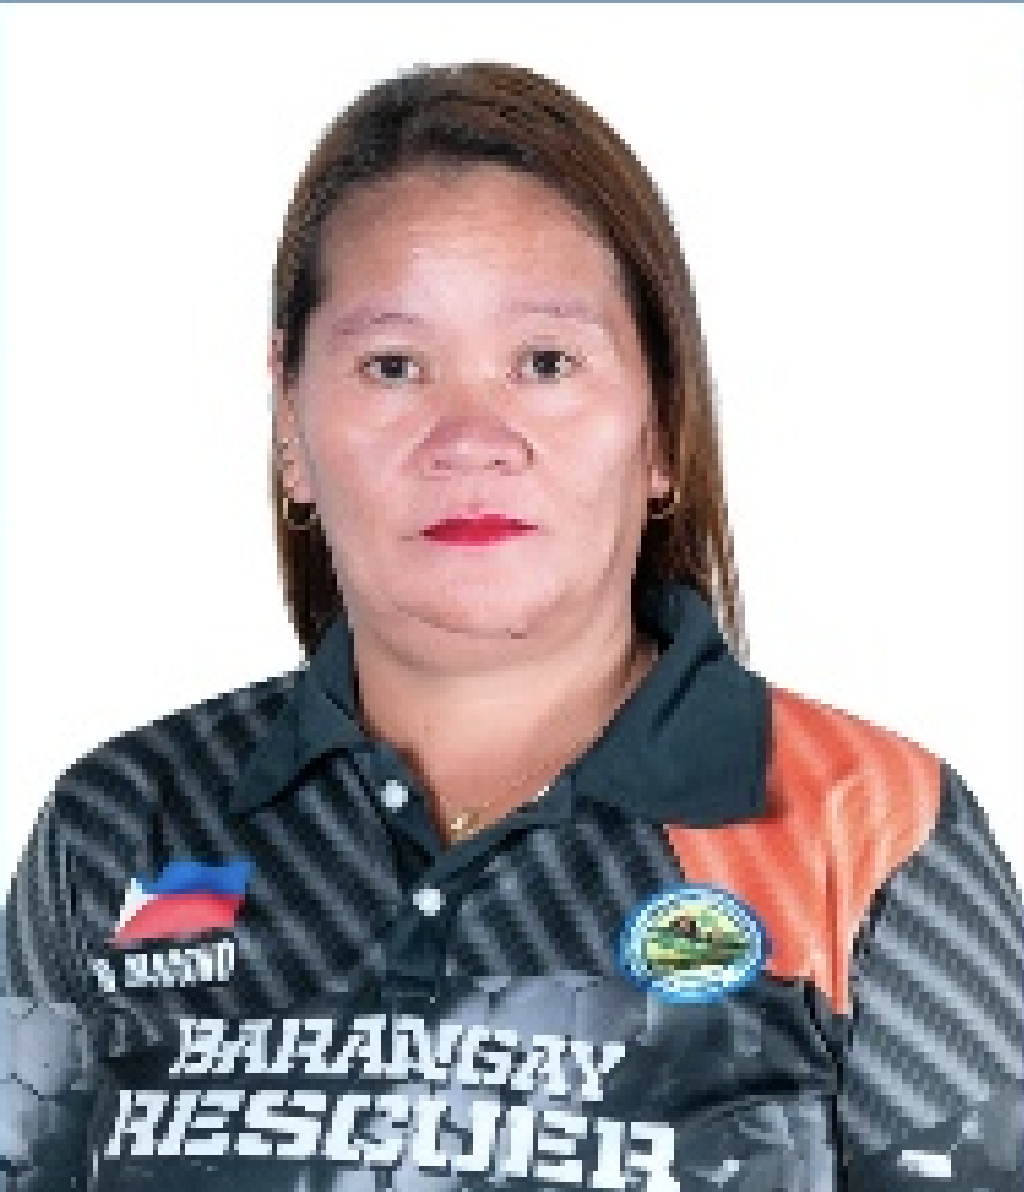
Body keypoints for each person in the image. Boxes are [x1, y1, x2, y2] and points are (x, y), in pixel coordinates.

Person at [2, 61, 1020, 1192]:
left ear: (661, 426)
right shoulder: (116, 827)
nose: (470, 438)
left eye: (545, 363)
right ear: (291, 419)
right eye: (394, 366)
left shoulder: (868, 830)